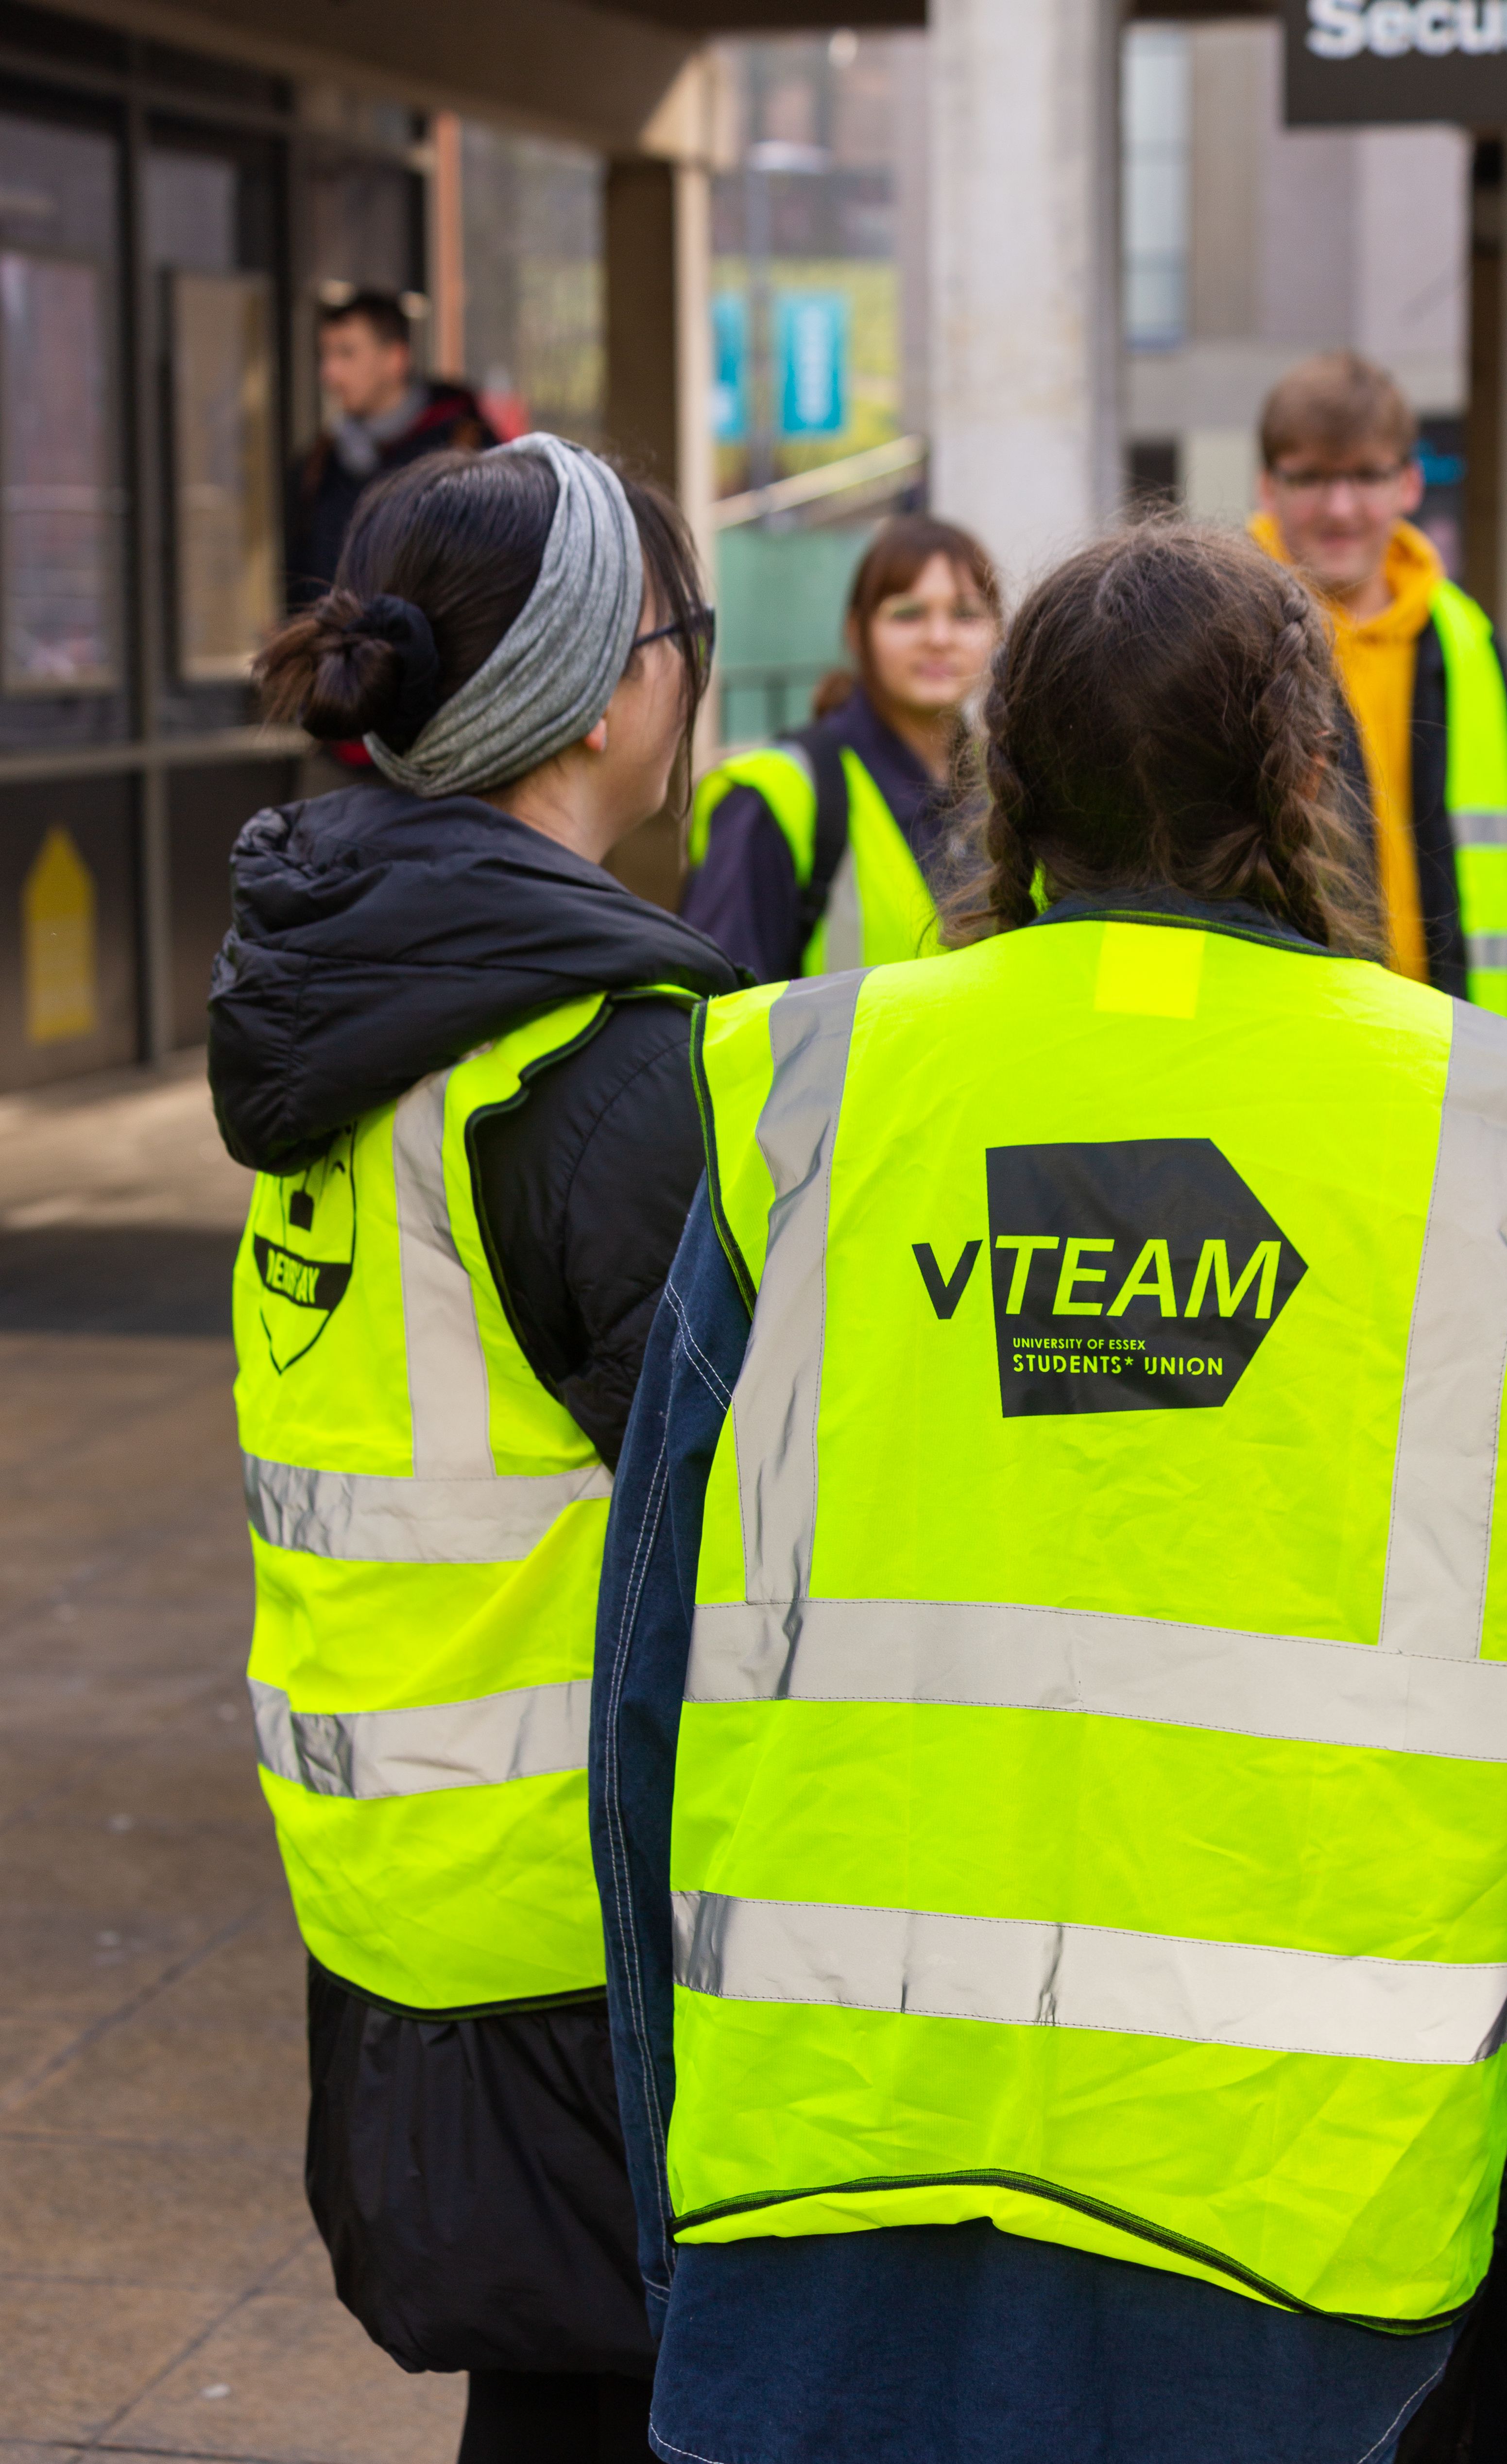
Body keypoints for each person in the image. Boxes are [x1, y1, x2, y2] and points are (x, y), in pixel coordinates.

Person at [589, 522, 1507, 2464]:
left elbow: (647, 1673)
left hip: (845, 2149)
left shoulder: (817, 1095)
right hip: (1311, 2187)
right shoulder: (1487, 1137)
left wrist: (662, 2108)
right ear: (1304, 772)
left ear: (1001, 777)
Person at [211, 432, 737, 2463]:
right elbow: (768, 1519)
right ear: (616, 690)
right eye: (687, 641)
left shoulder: (348, 1009)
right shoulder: (589, 1065)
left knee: (556, 2403)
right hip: (586, 1925)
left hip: (407, 1884)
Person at [1252, 350, 1507, 1032]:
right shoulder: (1220, 632)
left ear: (1411, 483)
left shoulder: (1467, 640)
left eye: (1366, 474)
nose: (1340, 507)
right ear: (1267, 489)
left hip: (1453, 1050)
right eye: (1310, 478)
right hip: (1284, 1050)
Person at [680, 513, 1002, 979]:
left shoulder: (1010, 798)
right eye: (908, 613)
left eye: (965, 614)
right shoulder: (777, 797)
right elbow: (716, 1016)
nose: (939, 637)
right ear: (856, 632)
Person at [285, 290, 496, 609]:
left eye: (347, 354)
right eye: (325, 356)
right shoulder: (320, 462)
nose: (330, 374)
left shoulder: (466, 450)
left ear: (395, 359)